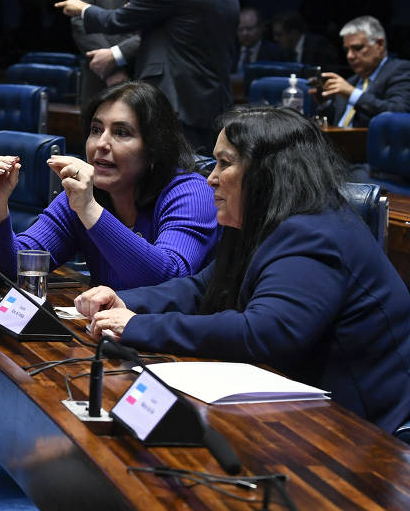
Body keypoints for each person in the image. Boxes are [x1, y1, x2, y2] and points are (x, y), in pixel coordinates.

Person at [74, 106, 410, 433]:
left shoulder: (314, 233)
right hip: (294, 410)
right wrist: (126, 301)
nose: (211, 178)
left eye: (225, 163)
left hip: (363, 432)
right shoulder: (261, 219)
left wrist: (138, 326)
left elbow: (263, 332)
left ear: (267, 172)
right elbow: (203, 288)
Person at [0, 81, 219, 291]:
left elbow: (168, 281)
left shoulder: (191, 193)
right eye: (96, 130)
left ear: (154, 148)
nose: (101, 143)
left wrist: (89, 209)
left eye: (121, 133)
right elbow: (11, 270)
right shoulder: (81, 196)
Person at [55, 0, 239, 154]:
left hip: (176, 100)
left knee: (171, 172)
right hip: (210, 98)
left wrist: (83, 8)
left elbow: (116, 20)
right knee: (200, 171)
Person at [314, 15, 410, 128]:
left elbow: (399, 112)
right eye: (346, 50)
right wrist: (325, 103)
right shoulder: (352, 81)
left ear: (379, 44)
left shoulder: (401, 70)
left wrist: (353, 94)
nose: (349, 56)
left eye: (357, 48)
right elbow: (336, 121)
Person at [69, 0, 140, 107]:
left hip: (144, 68)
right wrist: (110, 68)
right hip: (100, 74)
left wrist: (118, 54)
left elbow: (159, 29)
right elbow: (80, 20)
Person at [272, 10, 339, 68]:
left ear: (293, 33)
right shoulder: (286, 53)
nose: (275, 39)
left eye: (279, 35)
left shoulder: (319, 47)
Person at [233, 7, 284, 74]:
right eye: (240, 29)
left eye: (249, 29)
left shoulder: (274, 52)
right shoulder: (230, 51)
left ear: (260, 28)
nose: (245, 33)